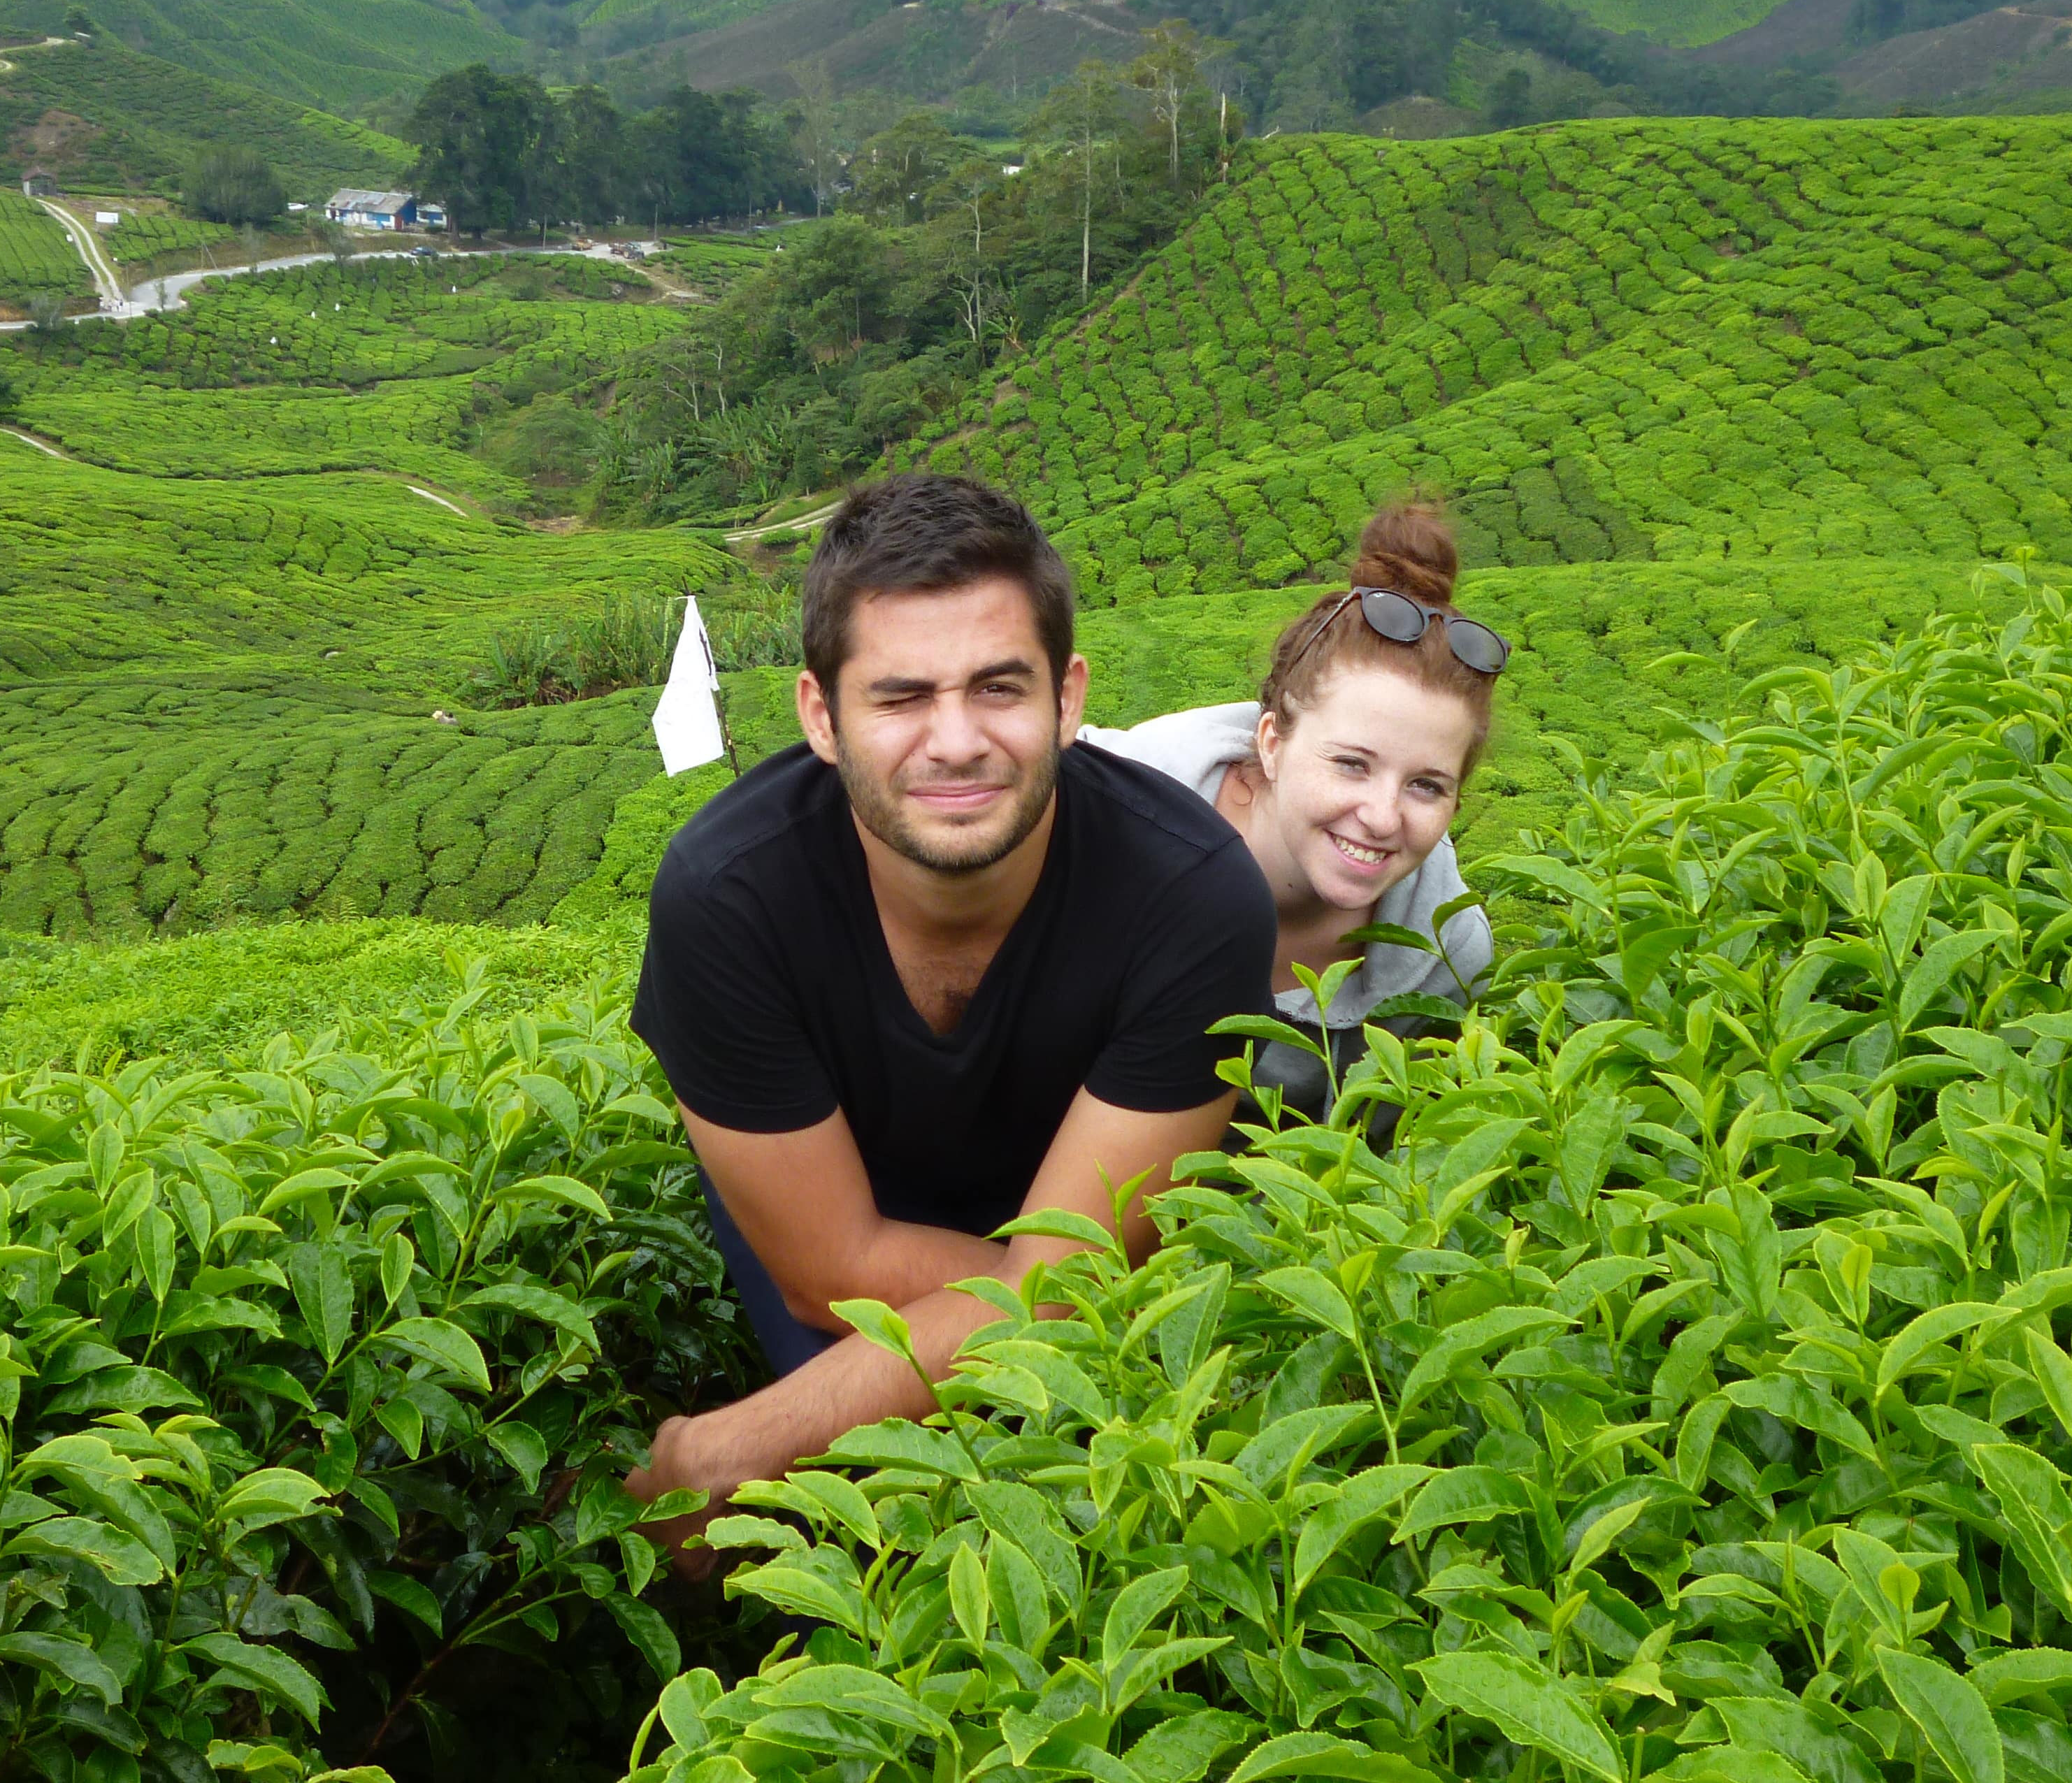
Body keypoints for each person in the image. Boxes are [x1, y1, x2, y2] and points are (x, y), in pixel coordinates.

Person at [626, 472, 1275, 1524]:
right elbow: (830, 1264)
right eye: (901, 696)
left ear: (1068, 700)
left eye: (998, 688)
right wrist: (1045, 1294)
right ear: (820, 716)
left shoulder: (1192, 898)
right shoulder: (728, 898)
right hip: (839, 1216)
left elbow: (1068, 1283)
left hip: (1058, 1215)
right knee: (854, 1519)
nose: (957, 739)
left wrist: (732, 1441)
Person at [1084, 500, 1504, 1118]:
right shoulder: (1104, 813)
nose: (1383, 817)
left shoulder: (1447, 956)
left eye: (1426, 786)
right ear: (1272, 742)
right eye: (1351, 764)